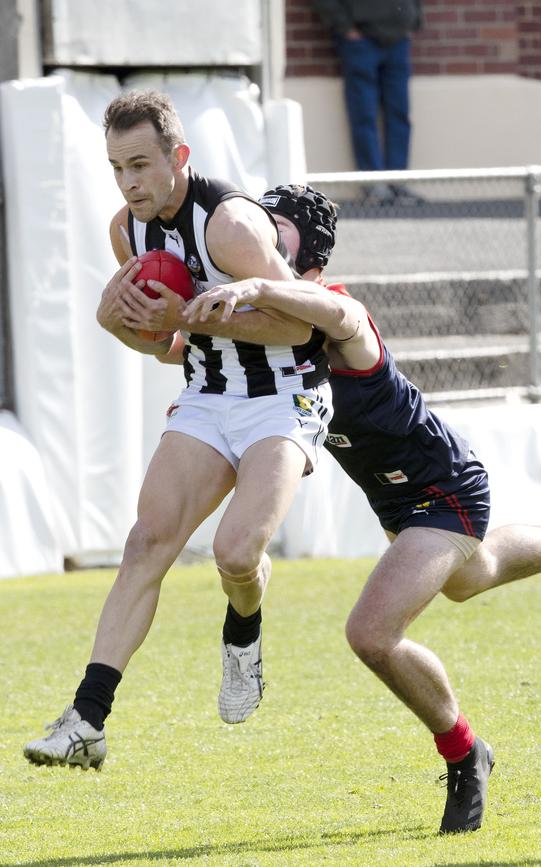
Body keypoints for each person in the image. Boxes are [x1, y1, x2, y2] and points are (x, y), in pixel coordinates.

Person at [179, 183, 541, 834]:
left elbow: (331, 323)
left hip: (444, 487)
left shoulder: (338, 310)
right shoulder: (263, 335)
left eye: (271, 230)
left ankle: (464, 750)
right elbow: (183, 346)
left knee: (371, 633)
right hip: (397, 497)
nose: (254, 241)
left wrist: (252, 289)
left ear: (306, 255)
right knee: (472, 576)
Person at [22, 93, 333, 771]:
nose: (129, 181)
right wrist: (119, 324)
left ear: (179, 158)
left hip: (284, 396)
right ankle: (87, 719)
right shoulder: (126, 231)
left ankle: (243, 627)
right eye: (116, 167)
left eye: (141, 164)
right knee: (145, 541)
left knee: (235, 552)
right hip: (208, 393)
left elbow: (303, 325)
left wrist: (200, 317)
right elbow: (162, 340)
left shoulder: (231, 228)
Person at [312, 0, 421, 202]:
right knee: (364, 115)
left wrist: (413, 20)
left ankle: (399, 182)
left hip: (398, 36)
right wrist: (345, 27)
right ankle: (374, 185)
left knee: (399, 115)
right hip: (360, 38)